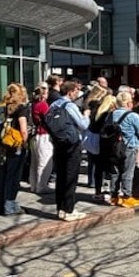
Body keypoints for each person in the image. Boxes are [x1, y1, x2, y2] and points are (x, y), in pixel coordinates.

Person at [48, 80, 91, 221]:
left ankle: (60, 208)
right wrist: (86, 114)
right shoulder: (69, 106)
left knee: (60, 175)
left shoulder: (54, 104)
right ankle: (69, 209)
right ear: (70, 91)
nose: (77, 94)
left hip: (58, 142)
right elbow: (83, 125)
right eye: (76, 91)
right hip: (72, 143)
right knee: (71, 176)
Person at [0, 83, 30, 216]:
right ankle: (9, 204)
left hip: (3, 144)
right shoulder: (21, 108)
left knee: (3, 174)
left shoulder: (2, 107)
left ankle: (0, 204)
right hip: (16, 145)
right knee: (14, 175)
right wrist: (24, 143)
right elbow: (23, 129)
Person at [108, 90, 139, 206]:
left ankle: (113, 196)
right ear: (127, 103)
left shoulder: (112, 114)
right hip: (129, 145)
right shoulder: (133, 116)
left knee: (115, 172)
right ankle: (126, 196)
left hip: (114, 146)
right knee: (127, 172)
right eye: (131, 101)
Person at [29, 84, 53, 195]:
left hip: (35, 135)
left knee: (35, 162)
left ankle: (34, 185)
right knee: (44, 162)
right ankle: (41, 186)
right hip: (43, 134)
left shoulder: (33, 104)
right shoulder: (43, 105)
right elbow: (49, 119)